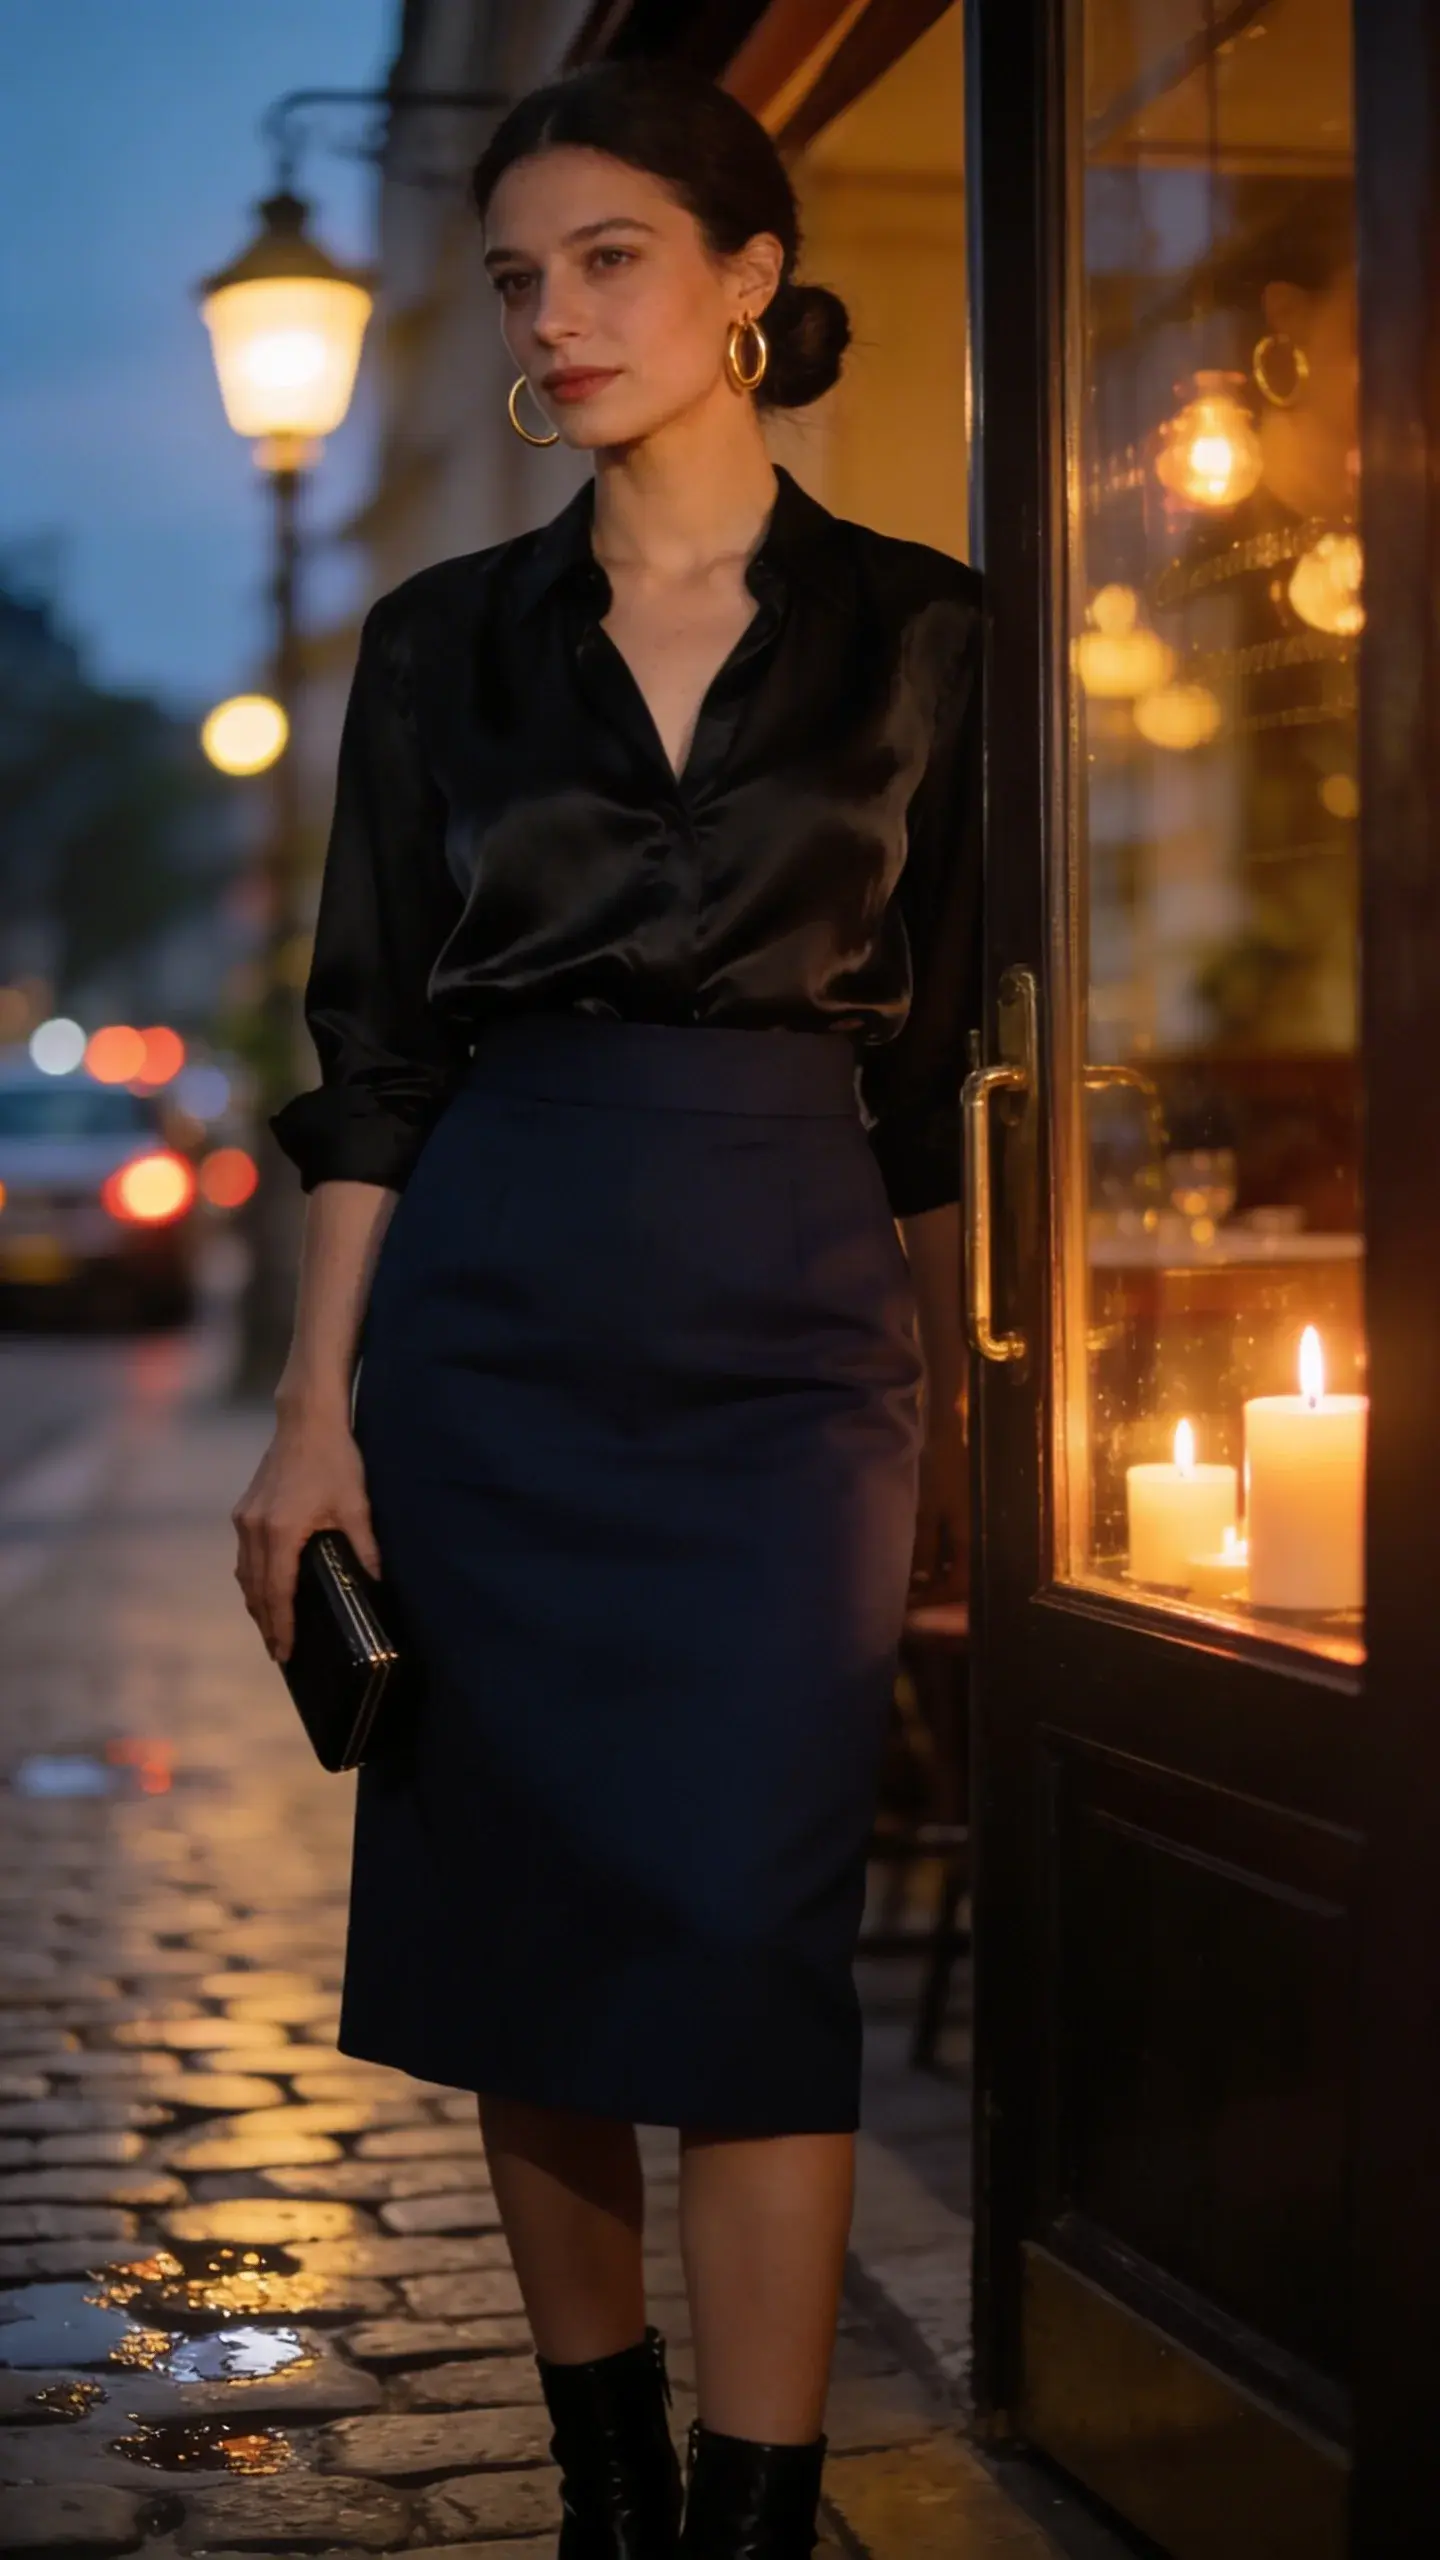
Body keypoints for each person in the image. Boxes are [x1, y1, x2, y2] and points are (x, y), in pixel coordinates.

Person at [233, 58, 981, 2560]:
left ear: (752, 277)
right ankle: (613, 2494)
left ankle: (763, 2522)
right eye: (520, 283)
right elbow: (374, 1049)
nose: (556, 321)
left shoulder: (932, 636)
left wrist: (971, 1387)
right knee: (522, 1911)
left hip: (792, 1327)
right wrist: (312, 1415)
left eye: (612, 258)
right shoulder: (441, 644)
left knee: (755, 1924)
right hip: (492, 1312)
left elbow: (960, 1061)